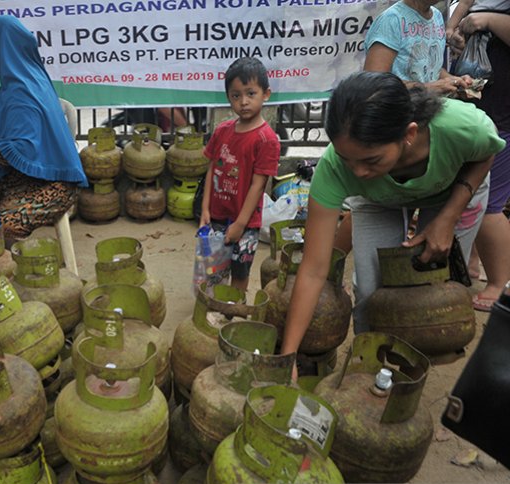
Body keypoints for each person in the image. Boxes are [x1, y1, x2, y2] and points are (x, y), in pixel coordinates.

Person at [280, 72, 505, 371]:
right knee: (370, 295)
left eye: (370, 160)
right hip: (380, 198)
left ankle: (412, 373)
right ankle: (367, 372)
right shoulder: (335, 168)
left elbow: (487, 152)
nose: (357, 172)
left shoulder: (461, 127)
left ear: (408, 134)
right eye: (349, 160)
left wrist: (448, 218)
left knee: (435, 292)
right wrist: (288, 355)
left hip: (455, 189)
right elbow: (313, 270)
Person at [0, 16, 87, 243]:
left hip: (53, 180)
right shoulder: (26, 79)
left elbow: (22, 149)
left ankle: (12, 270)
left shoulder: (22, 94)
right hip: (20, 173)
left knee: (1, 228)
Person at [199, 57, 281, 293]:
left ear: (265, 94)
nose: (243, 102)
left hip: (246, 223)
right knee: (213, 268)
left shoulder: (267, 140)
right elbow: (212, 168)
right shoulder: (222, 131)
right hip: (215, 216)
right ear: (228, 98)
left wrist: (241, 224)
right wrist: (205, 209)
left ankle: (232, 308)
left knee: (240, 271)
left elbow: (258, 185)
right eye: (236, 95)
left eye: (250, 93)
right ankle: (215, 307)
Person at [448, 4, 510, 311]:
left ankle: (499, 283)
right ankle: (471, 263)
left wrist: (487, 20)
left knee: (490, 205)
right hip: (479, 109)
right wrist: (456, 28)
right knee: (472, 199)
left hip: (501, 117)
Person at [364, 0, 473, 95]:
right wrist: (431, 87)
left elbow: (431, 68)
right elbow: (375, 83)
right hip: (400, 110)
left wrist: (454, 82)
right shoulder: (391, 20)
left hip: (429, 107)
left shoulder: (437, 16)